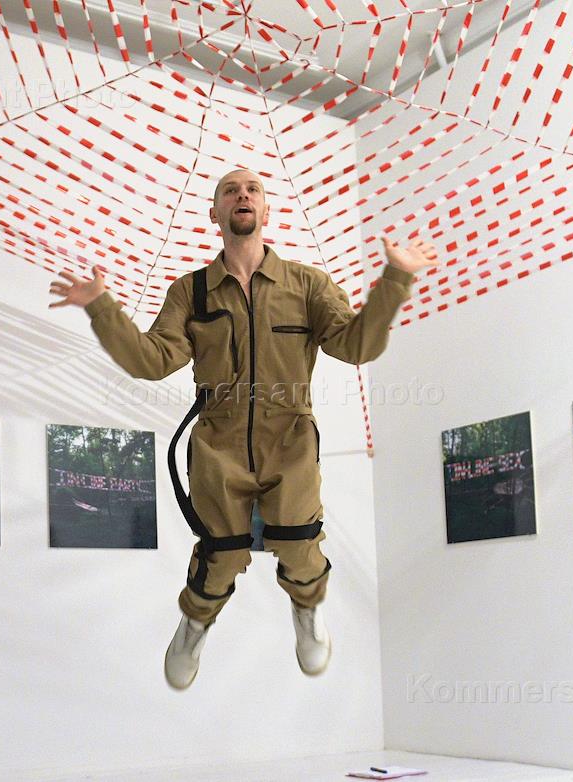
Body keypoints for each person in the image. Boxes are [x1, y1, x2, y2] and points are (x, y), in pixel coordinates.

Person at [49, 169, 437, 689]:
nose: (243, 195)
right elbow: (151, 360)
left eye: (252, 189)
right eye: (230, 191)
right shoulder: (192, 292)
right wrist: (101, 307)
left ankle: (307, 610)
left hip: (289, 436)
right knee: (221, 553)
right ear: (215, 213)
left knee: (299, 543)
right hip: (219, 442)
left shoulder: (307, 284)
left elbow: (356, 346)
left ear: (266, 210)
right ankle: (195, 624)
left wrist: (396, 280)